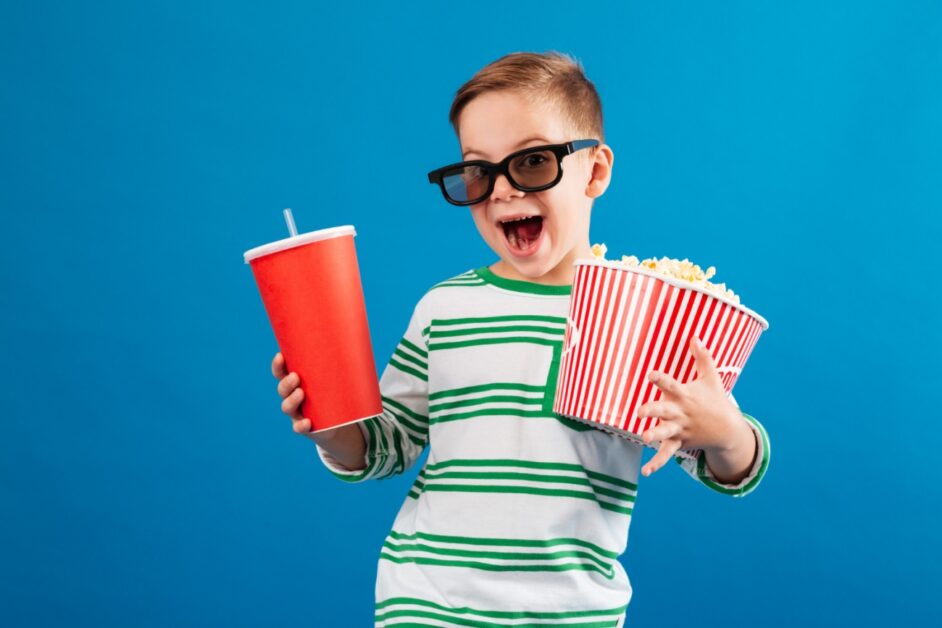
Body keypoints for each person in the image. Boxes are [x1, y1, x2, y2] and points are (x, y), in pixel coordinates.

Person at [272, 51, 770, 626]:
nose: (503, 191)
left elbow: (729, 464)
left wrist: (724, 431)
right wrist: (332, 427)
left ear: (595, 172)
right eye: (478, 172)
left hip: (573, 613)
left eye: (533, 162)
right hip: (426, 604)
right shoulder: (444, 309)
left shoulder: (643, 315)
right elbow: (385, 446)